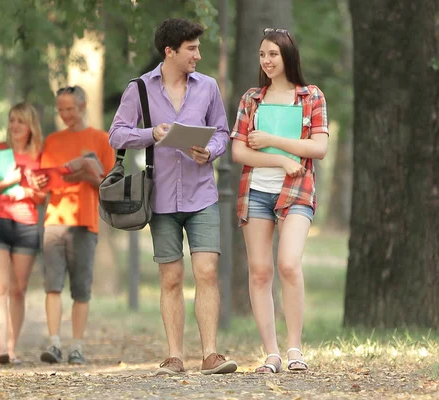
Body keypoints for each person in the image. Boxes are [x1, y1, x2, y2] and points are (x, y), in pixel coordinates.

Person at [109, 18, 238, 376]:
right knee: (171, 277)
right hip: (162, 198)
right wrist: (152, 133)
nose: (198, 54)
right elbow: (116, 134)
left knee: (207, 271)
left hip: (202, 195)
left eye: (198, 47)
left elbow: (223, 134)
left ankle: (210, 354)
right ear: (170, 51)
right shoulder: (140, 89)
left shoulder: (208, 87)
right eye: (192, 48)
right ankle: (175, 356)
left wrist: (209, 151)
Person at [230, 28, 329, 373]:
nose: (267, 61)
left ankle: (294, 349)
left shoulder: (311, 97)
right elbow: (239, 151)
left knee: (288, 264)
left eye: (273, 54)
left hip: (297, 191)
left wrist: (272, 140)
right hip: (256, 191)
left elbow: (318, 148)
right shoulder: (251, 99)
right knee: (260, 271)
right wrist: (281, 160)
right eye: (262, 55)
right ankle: (271, 353)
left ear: (287, 55)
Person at [36, 85, 115, 365]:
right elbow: (45, 183)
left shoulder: (101, 140)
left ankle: (77, 346)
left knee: (81, 289)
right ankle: (54, 343)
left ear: (83, 106)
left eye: (69, 109)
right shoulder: (53, 142)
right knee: (52, 285)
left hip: (85, 222)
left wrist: (86, 172)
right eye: (61, 110)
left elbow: (109, 184)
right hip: (55, 221)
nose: (65, 114)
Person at [0, 102, 45, 365]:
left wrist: (26, 192)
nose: (15, 126)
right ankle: (2, 347)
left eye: (21, 121)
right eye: (12, 120)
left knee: (18, 290)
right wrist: (7, 183)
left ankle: (12, 348)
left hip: (26, 226)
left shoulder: (39, 155)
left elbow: (42, 196)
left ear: (31, 127)